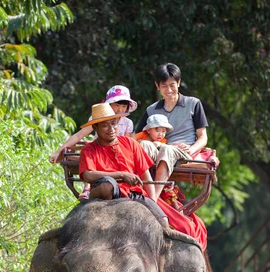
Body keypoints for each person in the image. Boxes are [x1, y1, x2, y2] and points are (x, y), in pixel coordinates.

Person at [79, 103, 208, 250]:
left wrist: (152, 202)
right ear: (95, 128)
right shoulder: (89, 149)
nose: (112, 129)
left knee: (164, 222)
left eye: (114, 124)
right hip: (110, 193)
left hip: (135, 194)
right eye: (105, 126)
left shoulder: (130, 143)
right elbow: (88, 175)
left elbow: (144, 174)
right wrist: (121, 175)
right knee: (106, 185)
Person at [136, 63, 217, 199]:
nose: (169, 89)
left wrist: (191, 150)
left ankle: (152, 199)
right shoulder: (152, 109)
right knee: (143, 145)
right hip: (159, 150)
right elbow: (136, 136)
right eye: (164, 86)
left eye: (172, 85)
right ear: (157, 86)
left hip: (182, 152)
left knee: (167, 149)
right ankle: (136, 189)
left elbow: (203, 137)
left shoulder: (193, 103)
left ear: (178, 83)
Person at [49, 85, 137, 164]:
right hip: (98, 153)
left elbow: (126, 144)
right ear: (109, 104)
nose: (120, 110)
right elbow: (78, 135)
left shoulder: (127, 123)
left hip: (118, 156)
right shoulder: (97, 119)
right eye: (117, 105)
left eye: (124, 106)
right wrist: (58, 151)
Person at [135, 114, 192, 201]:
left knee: (166, 148)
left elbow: (168, 150)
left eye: (163, 131)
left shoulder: (165, 143)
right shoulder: (141, 138)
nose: (161, 134)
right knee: (144, 144)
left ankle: (154, 198)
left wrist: (161, 145)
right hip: (151, 160)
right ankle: (139, 186)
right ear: (149, 130)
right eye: (157, 130)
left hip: (174, 154)